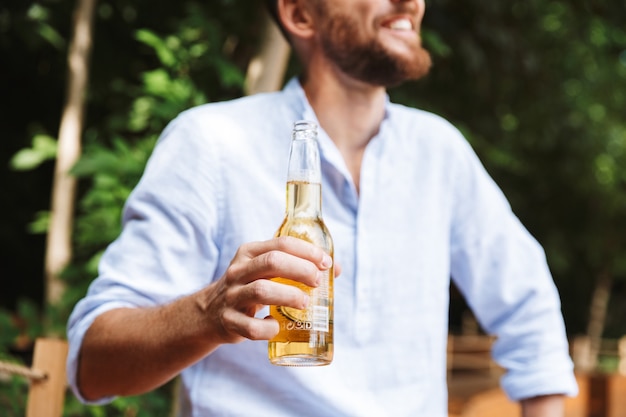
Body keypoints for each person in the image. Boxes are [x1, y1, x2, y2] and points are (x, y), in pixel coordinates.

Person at [66, 0, 578, 415]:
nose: (412, 3)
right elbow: (92, 365)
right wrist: (209, 315)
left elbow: (529, 310)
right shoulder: (212, 142)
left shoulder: (440, 153)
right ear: (300, 15)